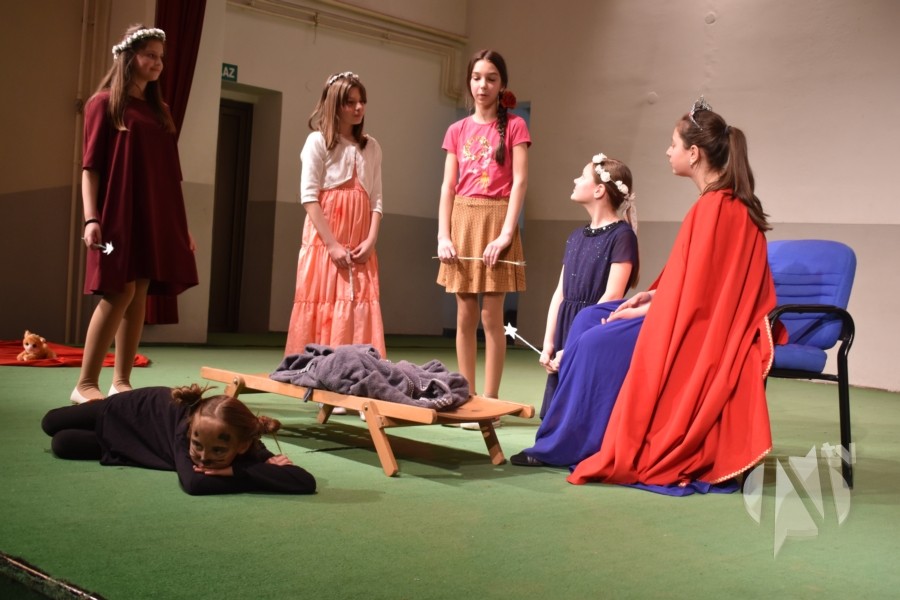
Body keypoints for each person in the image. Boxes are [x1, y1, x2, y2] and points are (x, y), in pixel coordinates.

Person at [514, 98, 780, 497]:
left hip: (702, 330)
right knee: (588, 319)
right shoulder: (712, 204)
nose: (668, 152)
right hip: (683, 312)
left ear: (694, 153)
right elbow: (693, 281)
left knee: (597, 341)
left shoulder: (716, 208)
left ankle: (570, 445)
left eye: (673, 144)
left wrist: (649, 311)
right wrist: (650, 297)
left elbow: (702, 297)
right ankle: (565, 435)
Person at [73, 25, 198, 404]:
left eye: (161, 57)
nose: (158, 63)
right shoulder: (103, 104)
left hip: (154, 215)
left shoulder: (161, 111)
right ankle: (85, 384)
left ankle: (121, 381)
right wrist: (91, 218)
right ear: (130, 57)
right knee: (119, 288)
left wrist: (181, 228)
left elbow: (170, 176)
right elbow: (90, 168)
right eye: (150, 55)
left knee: (140, 289)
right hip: (116, 215)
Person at [436, 49, 530, 426]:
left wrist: (506, 233)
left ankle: (490, 402)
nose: (483, 85)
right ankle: (467, 397)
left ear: (502, 84)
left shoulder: (516, 126)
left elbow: (520, 182)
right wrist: (443, 235)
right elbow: (448, 186)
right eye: (476, 77)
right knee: (465, 315)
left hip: (497, 220)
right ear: (468, 82)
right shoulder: (456, 130)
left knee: (492, 316)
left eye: (491, 78)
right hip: (463, 219)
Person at [42, 385, 317, 495]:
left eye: (218, 450)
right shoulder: (186, 431)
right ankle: (94, 406)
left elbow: (305, 482)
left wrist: (238, 469)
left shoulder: (250, 443)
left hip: (139, 440)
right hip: (129, 409)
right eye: (198, 446)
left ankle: (110, 441)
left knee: (62, 444)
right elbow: (196, 482)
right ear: (191, 434)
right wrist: (254, 472)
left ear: (242, 445)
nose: (204, 457)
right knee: (50, 423)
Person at [285, 71, 386, 363]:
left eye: (361, 101)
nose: (358, 107)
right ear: (334, 105)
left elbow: (377, 199)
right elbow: (309, 196)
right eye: (350, 102)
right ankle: (318, 368)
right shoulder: (317, 142)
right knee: (323, 299)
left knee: (357, 303)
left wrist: (371, 239)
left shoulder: (371, 146)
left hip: (360, 242)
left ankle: (355, 369)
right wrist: (331, 244)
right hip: (326, 241)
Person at [538, 153, 639, 418]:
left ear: (599, 190)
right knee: (556, 413)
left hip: (591, 330)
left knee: (580, 409)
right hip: (566, 328)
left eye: (582, 176)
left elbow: (612, 294)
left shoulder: (622, 236)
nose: (575, 180)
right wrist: (549, 342)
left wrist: (574, 344)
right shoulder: (575, 237)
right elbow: (560, 293)